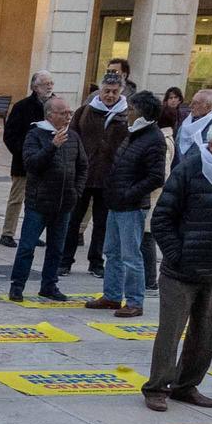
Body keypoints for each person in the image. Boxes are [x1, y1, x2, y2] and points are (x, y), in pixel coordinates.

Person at [143, 117, 212, 413]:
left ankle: (186, 385)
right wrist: (177, 254)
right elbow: (162, 218)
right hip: (182, 269)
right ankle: (157, 386)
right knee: (171, 331)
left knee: (205, 334)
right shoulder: (191, 168)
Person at [93, 89, 167, 318]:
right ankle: (112, 295)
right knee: (112, 252)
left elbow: (156, 177)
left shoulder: (153, 138)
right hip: (116, 202)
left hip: (132, 206)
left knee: (130, 255)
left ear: (143, 112)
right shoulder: (134, 133)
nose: (128, 112)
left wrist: (129, 193)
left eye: (132, 109)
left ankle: (135, 301)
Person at [10, 96, 85, 303]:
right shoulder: (35, 135)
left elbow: (82, 166)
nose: (68, 117)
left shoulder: (74, 137)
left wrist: (76, 191)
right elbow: (31, 164)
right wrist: (52, 146)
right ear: (50, 115)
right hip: (39, 203)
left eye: (69, 113)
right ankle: (17, 285)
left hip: (64, 203)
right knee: (27, 247)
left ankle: (49, 285)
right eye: (63, 113)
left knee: (56, 248)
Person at [65, 72, 127, 276]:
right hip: (84, 175)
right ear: (100, 91)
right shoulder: (84, 111)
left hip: (109, 177)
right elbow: (72, 138)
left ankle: (96, 261)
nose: (110, 95)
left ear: (121, 92)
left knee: (102, 223)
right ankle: (65, 260)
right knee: (73, 220)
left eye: (114, 92)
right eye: (107, 91)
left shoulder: (126, 114)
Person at [0, 71, 54, 245]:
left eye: (51, 83)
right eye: (45, 83)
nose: (50, 86)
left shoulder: (55, 106)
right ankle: (8, 233)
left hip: (46, 162)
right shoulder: (22, 106)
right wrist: (22, 153)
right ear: (35, 87)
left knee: (39, 200)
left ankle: (32, 232)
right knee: (17, 198)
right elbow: (9, 135)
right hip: (24, 162)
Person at [175, 88, 212, 160]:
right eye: (191, 102)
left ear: (208, 107)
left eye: (196, 103)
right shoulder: (187, 122)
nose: (190, 105)